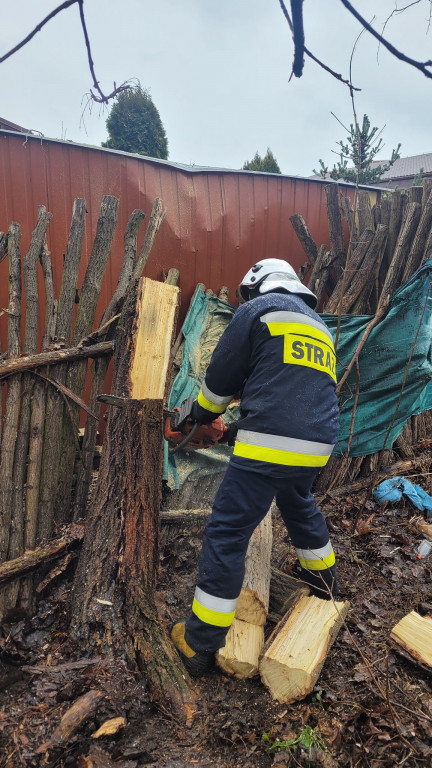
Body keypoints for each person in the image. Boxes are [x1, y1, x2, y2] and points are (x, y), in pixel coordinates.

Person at [170, 258, 340, 677]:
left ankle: (199, 644)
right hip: (317, 444)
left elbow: (219, 382)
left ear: (255, 285)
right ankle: (325, 587)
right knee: (299, 504)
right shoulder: (319, 327)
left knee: (228, 531)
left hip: (270, 443)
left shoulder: (257, 310)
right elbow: (289, 398)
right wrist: (230, 432)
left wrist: (196, 415)